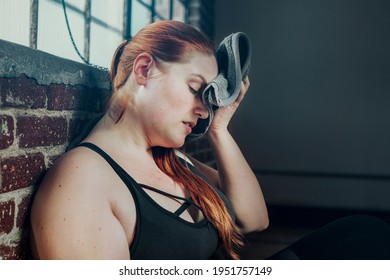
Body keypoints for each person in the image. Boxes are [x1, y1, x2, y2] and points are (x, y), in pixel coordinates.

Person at [30, 20, 269, 260]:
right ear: (144, 70)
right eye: (195, 89)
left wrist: (219, 128)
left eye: (207, 98)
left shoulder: (172, 159)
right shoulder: (82, 182)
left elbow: (254, 219)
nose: (205, 111)